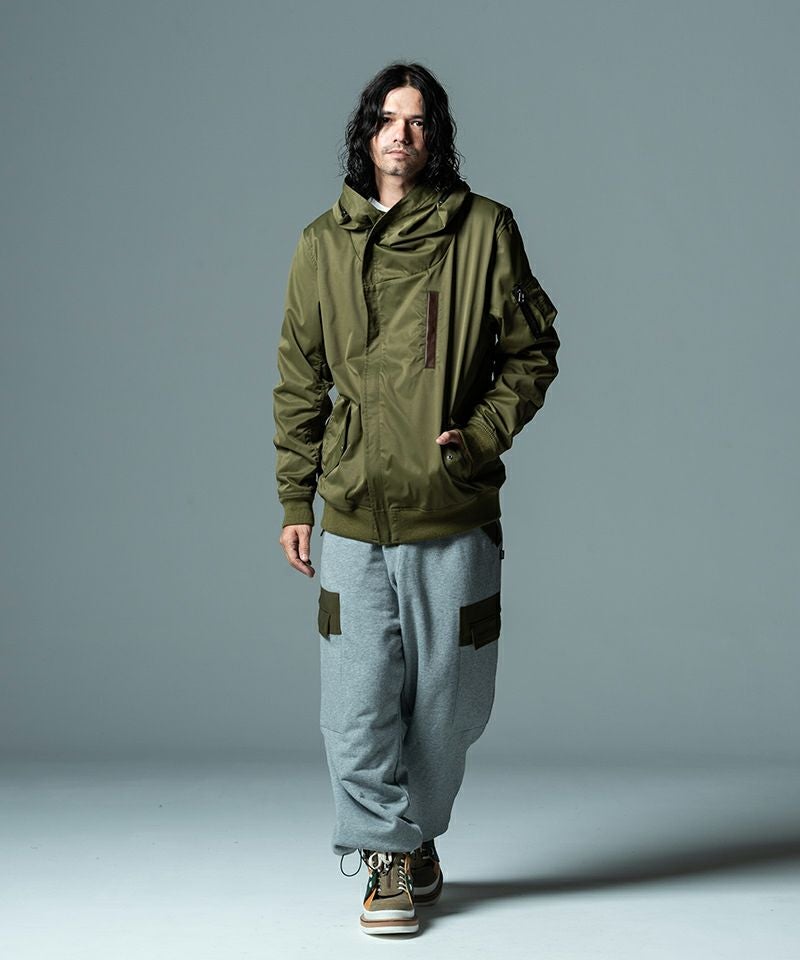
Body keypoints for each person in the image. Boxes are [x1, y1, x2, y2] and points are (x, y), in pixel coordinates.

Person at [272, 61, 560, 936]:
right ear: (365, 134)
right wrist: (295, 499)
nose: (402, 134)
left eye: (419, 120)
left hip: (452, 509)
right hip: (353, 511)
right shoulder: (321, 244)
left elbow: (532, 353)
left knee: (450, 704)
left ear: (437, 138)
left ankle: (418, 832)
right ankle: (385, 857)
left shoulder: (486, 230)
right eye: (387, 119)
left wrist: (478, 436)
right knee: (355, 702)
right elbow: (300, 380)